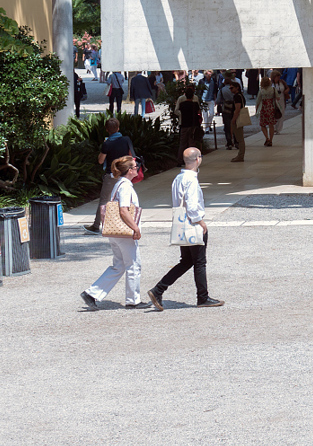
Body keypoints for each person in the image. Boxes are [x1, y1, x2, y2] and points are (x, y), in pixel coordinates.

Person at [147, 148, 224, 310]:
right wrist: (200, 221)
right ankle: (202, 297)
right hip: (192, 223)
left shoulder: (178, 178)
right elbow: (192, 203)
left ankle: (159, 289)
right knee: (199, 262)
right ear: (198, 159)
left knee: (187, 261)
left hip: (181, 222)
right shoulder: (191, 180)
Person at [80, 155, 145, 308]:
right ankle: (133, 300)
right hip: (124, 232)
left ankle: (92, 293)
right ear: (129, 170)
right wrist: (135, 227)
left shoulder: (118, 184)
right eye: (135, 167)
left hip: (115, 231)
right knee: (133, 264)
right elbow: (123, 210)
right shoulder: (126, 186)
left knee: (119, 265)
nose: (137, 169)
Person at [86, 117, 135, 233]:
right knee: (126, 199)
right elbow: (132, 155)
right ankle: (129, 223)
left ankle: (97, 225)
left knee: (104, 200)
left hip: (111, 175)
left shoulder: (107, 144)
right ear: (118, 128)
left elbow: (100, 161)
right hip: (125, 175)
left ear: (107, 130)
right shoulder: (126, 140)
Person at [177, 86, 205, 157]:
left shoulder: (182, 105)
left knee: (182, 143)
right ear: (193, 96)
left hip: (184, 125)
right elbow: (199, 113)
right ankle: (192, 159)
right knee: (192, 143)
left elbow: (177, 111)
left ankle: (180, 160)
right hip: (193, 125)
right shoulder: (195, 104)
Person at [228, 84, 250, 161]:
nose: (230, 89)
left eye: (232, 88)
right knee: (239, 137)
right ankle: (240, 155)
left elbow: (237, 109)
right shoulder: (241, 96)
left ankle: (240, 155)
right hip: (238, 118)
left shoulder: (237, 97)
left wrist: (233, 119)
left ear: (237, 88)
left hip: (237, 119)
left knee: (240, 138)